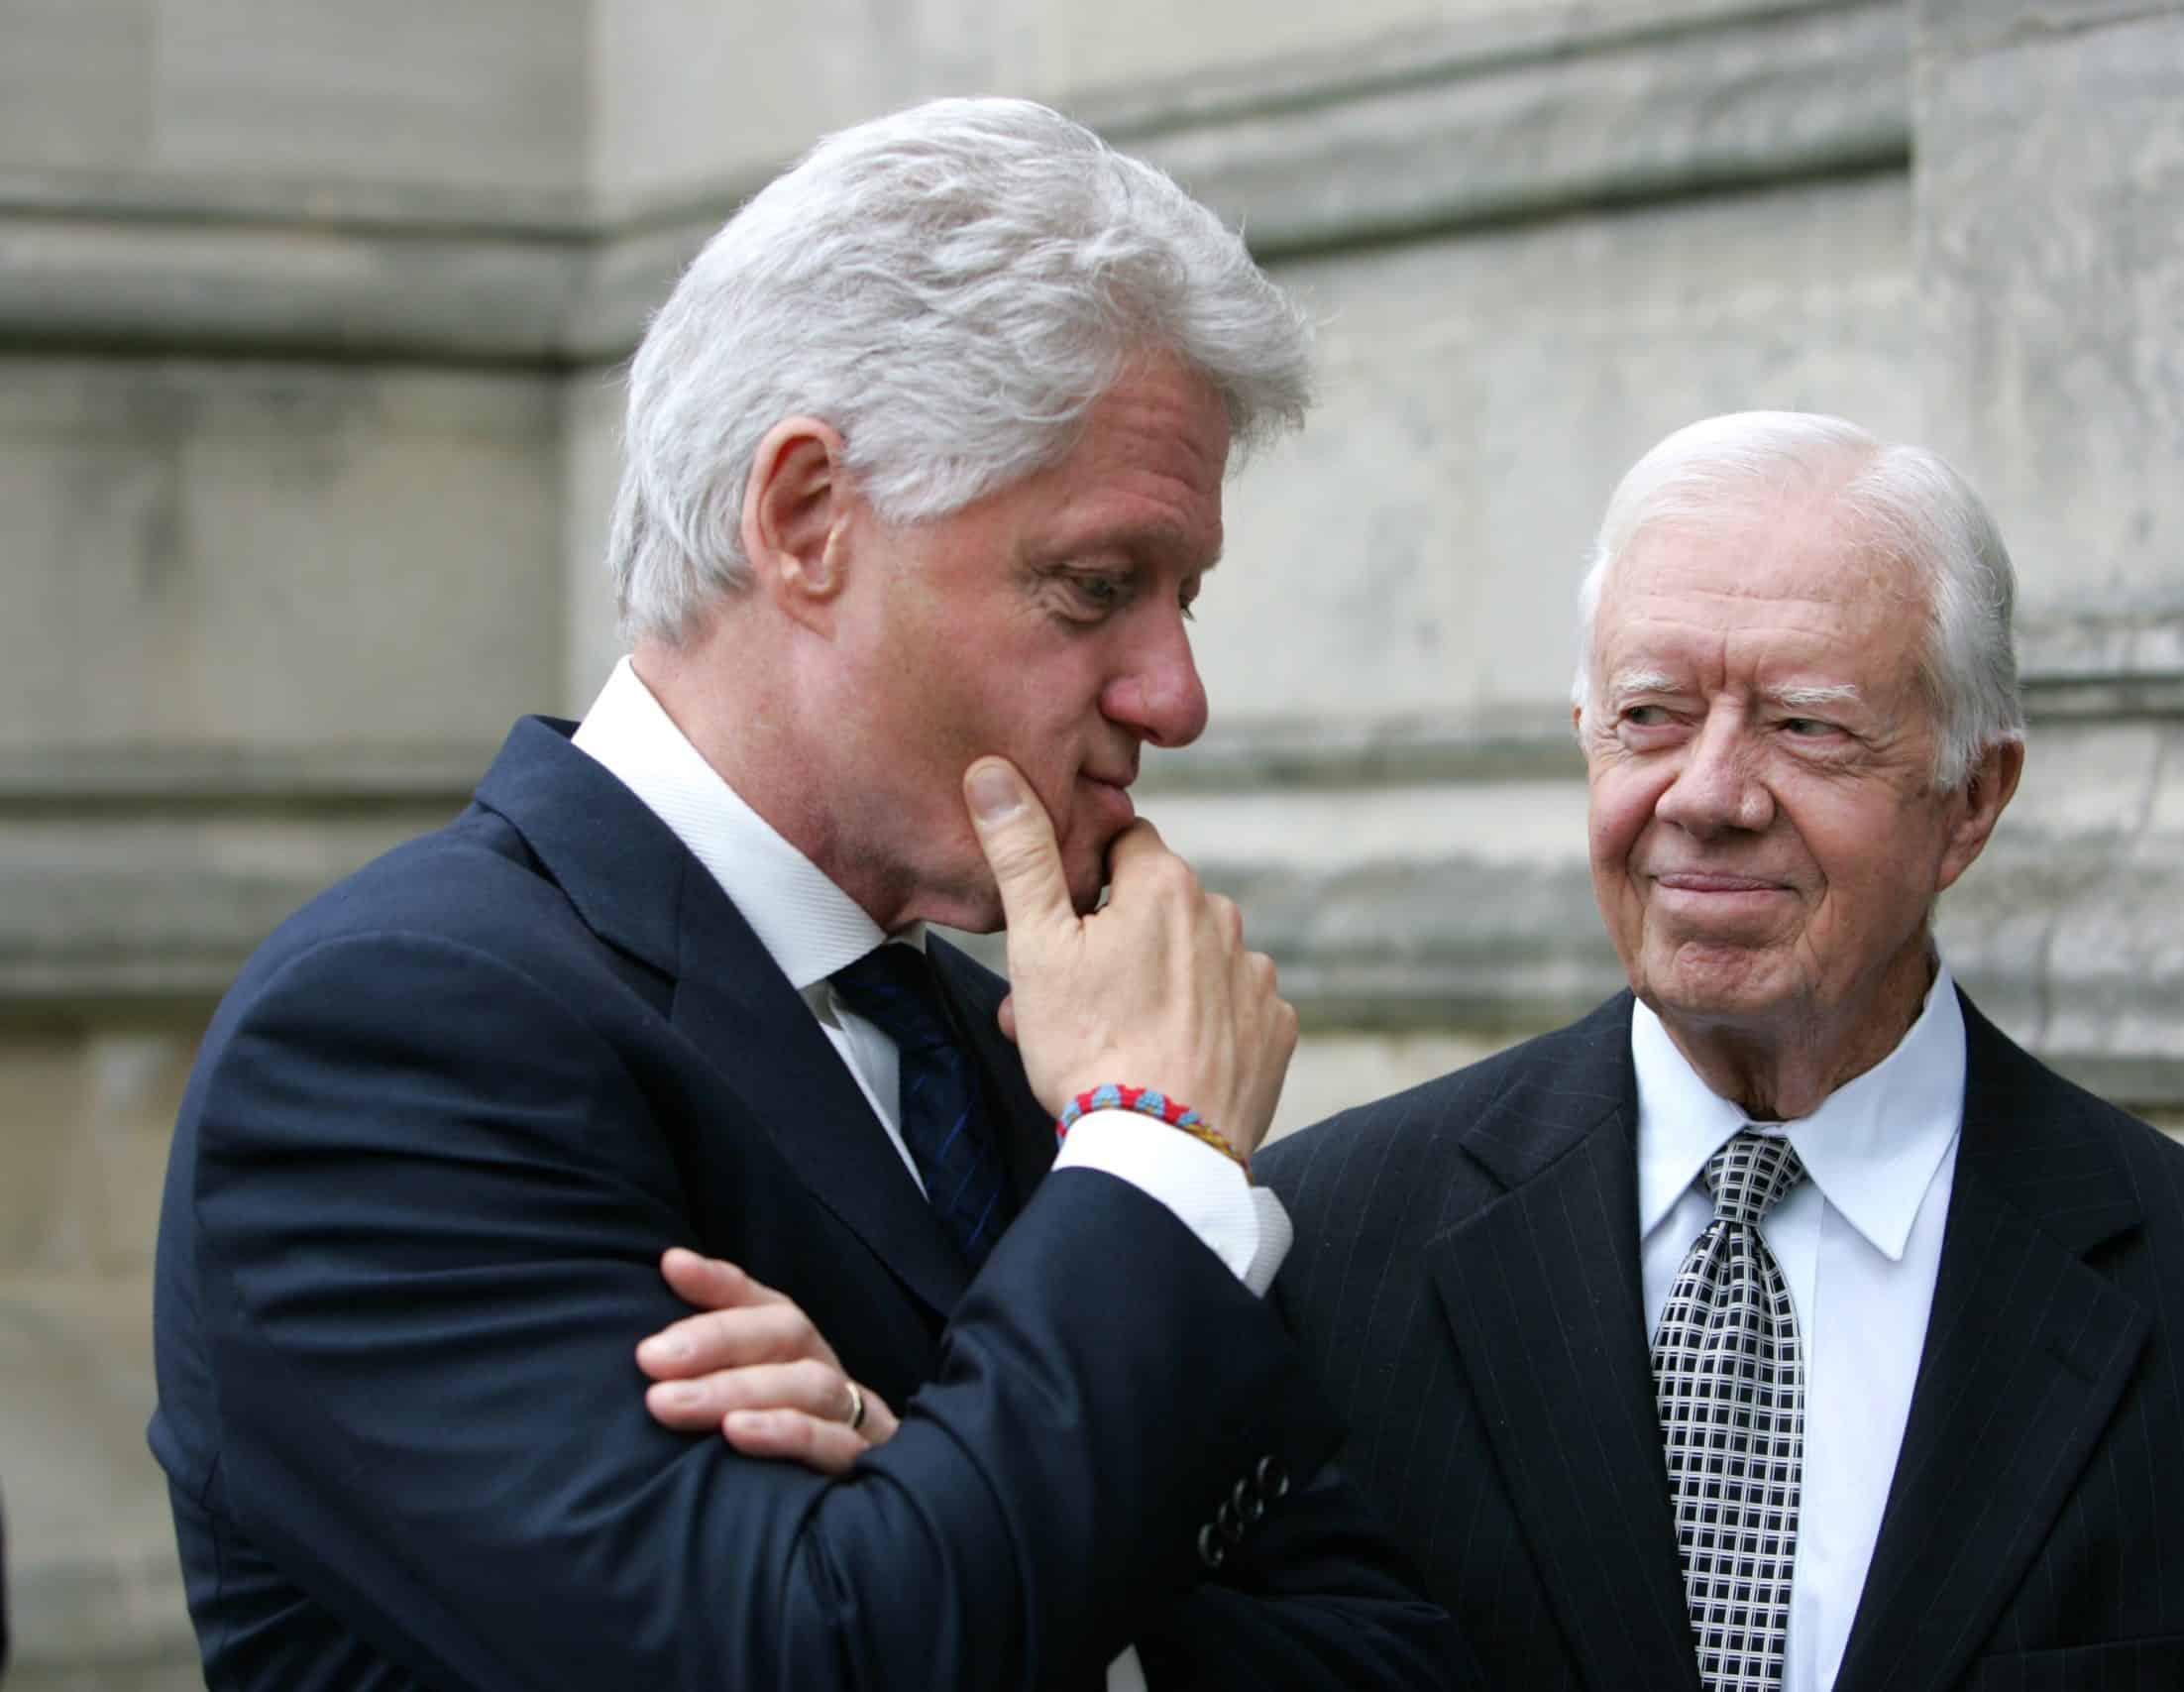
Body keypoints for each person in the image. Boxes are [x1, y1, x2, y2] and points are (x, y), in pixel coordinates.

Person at [660, 410, 2184, 1690]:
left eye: (1807, 727)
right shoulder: (1315, 1255)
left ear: (1972, 801)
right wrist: (911, 1466)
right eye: (1650, 717)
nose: (1709, 795)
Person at [147, 97, 1470, 1691]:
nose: (1175, 697)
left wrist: (926, 1485)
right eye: (1096, 587)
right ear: (805, 520)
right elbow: (814, 1661)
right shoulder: (393, 1040)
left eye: (1182, 600)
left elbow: (1387, 1663)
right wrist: (1157, 1156)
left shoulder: (1027, 1049)